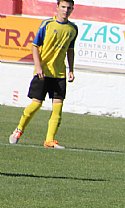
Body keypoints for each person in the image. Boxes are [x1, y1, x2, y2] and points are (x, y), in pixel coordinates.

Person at [9, 0, 77, 149]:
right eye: (63, 7)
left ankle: (49, 140)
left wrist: (71, 69)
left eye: (69, 8)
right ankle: (19, 130)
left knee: (58, 107)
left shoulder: (73, 29)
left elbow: (70, 50)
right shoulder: (47, 24)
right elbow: (35, 46)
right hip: (43, 72)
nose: (66, 10)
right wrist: (38, 66)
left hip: (59, 74)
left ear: (73, 9)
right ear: (57, 7)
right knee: (36, 104)